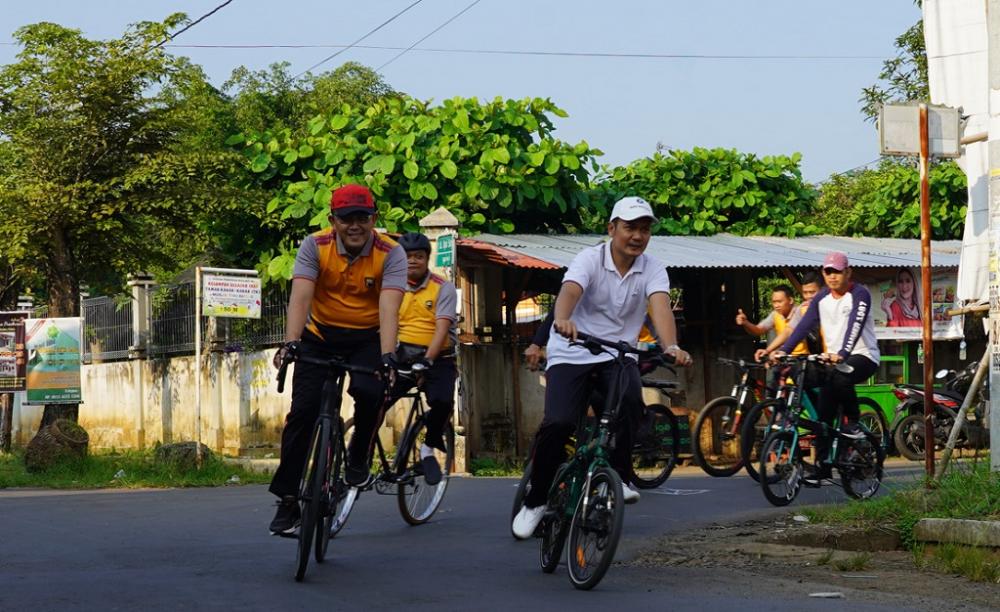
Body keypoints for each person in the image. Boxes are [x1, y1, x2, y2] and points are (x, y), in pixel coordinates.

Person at [511, 196, 691, 540]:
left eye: (644, 229)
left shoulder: (652, 268)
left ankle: (618, 478)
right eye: (630, 228)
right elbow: (570, 290)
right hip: (573, 351)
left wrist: (671, 345)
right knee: (560, 422)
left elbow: (660, 308)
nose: (637, 236)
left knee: (629, 405)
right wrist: (562, 320)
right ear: (612, 229)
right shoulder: (589, 259)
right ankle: (534, 502)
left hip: (617, 354)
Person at [267, 184, 407, 535]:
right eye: (346, 219)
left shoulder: (392, 253)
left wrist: (388, 356)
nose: (355, 226)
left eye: (363, 218)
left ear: (374, 219)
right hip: (320, 336)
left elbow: (390, 309)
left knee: (373, 394)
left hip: (368, 338)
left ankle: (358, 454)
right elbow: (300, 298)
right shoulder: (315, 246)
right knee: (303, 412)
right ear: (333, 220)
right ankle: (287, 501)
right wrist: (291, 343)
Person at [769, 252, 880, 484]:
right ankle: (824, 466)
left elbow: (855, 326)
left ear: (848, 272)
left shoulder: (860, 294)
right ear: (823, 273)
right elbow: (802, 327)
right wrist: (783, 351)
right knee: (822, 413)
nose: (832, 276)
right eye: (828, 272)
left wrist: (842, 354)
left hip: (862, 356)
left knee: (840, 378)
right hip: (831, 361)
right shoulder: (821, 299)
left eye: (837, 271)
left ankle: (854, 422)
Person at [383, 231, 459, 486]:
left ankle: (428, 448)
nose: (413, 261)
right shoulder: (392, 287)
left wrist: (428, 359)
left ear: (428, 259)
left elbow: (441, 328)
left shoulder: (443, 287)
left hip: (437, 357)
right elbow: (386, 320)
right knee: (374, 399)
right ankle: (358, 453)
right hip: (403, 354)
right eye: (407, 257)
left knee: (442, 401)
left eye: (419, 256)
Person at [754, 271, 824, 362]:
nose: (808, 297)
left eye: (812, 292)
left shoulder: (831, 305)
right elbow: (789, 331)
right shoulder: (803, 309)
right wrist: (768, 350)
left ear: (823, 290)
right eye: (805, 293)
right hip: (816, 360)